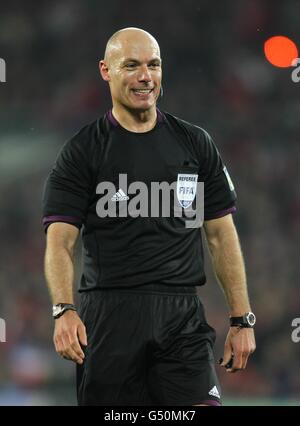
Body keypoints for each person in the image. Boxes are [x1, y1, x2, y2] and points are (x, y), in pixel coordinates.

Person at [42, 27, 256, 406]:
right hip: (108, 318)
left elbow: (221, 236)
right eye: (132, 65)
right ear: (105, 70)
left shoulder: (195, 143)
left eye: (154, 65)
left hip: (181, 318)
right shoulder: (82, 152)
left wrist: (242, 319)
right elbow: (61, 241)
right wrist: (63, 310)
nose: (146, 76)